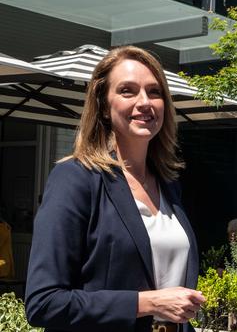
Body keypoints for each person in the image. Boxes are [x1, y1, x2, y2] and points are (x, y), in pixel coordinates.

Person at [25, 46, 205, 332]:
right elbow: (44, 302)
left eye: (154, 92)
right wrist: (148, 304)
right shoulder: (75, 179)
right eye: (127, 91)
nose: (145, 102)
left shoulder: (169, 184)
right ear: (103, 106)